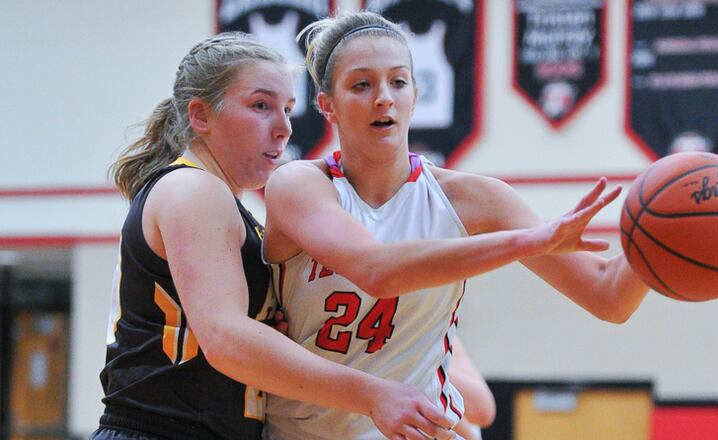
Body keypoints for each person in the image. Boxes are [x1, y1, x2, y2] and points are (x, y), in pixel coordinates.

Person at [261, 11, 718, 440]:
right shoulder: (299, 187)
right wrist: (526, 241)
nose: (384, 97)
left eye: (399, 81)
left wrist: (674, 235)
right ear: (327, 106)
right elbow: (375, 269)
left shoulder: (474, 198)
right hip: (297, 431)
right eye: (362, 85)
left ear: (416, 94)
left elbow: (607, 295)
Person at [92, 32, 462, 440]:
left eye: (287, 109)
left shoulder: (236, 213)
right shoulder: (192, 189)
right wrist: (372, 394)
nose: (284, 128)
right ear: (201, 116)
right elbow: (224, 337)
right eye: (261, 106)